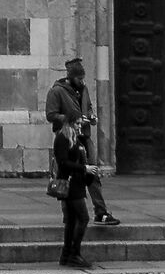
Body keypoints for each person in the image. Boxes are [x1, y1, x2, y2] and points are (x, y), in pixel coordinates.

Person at [43, 57, 117, 225]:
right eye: (79, 78)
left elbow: (88, 106)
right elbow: (51, 115)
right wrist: (72, 119)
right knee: (65, 174)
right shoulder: (56, 91)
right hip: (67, 136)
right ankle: (68, 215)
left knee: (92, 173)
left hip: (84, 135)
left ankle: (100, 211)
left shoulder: (83, 89)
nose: (82, 81)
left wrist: (90, 117)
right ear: (70, 77)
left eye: (83, 78)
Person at [52, 121, 92, 270]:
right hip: (70, 185)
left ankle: (67, 254)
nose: (79, 125)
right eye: (77, 122)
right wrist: (84, 168)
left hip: (77, 183)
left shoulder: (76, 137)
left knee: (72, 221)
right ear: (69, 122)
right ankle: (74, 253)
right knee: (83, 218)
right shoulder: (62, 138)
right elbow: (63, 162)